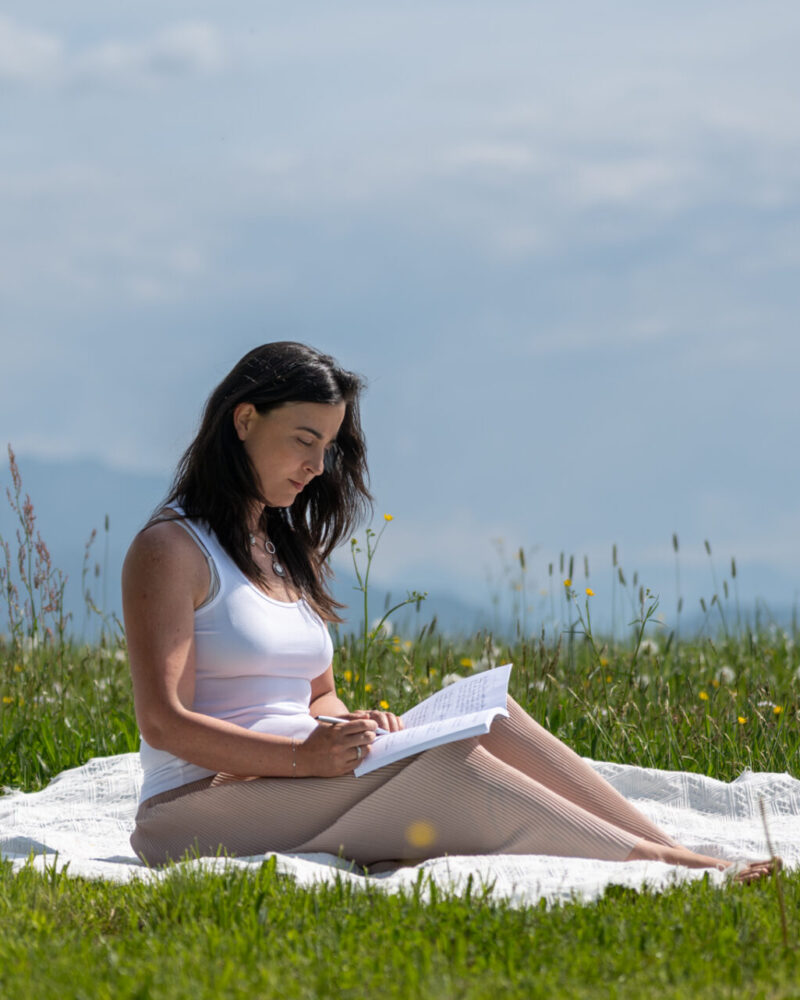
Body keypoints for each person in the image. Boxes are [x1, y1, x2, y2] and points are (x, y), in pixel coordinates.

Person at [124, 341, 774, 880]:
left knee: (492, 717)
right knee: (443, 766)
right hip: (198, 804)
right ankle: (667, 868)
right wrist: (305, 758)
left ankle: (666, 848)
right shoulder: (172, 550)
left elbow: (316, 697)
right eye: (304, 440)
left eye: (327, 446)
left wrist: (351, 725)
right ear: (244, 420)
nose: (318, 466)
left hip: (301, 774)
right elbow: (164, 722)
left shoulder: (288, 549)